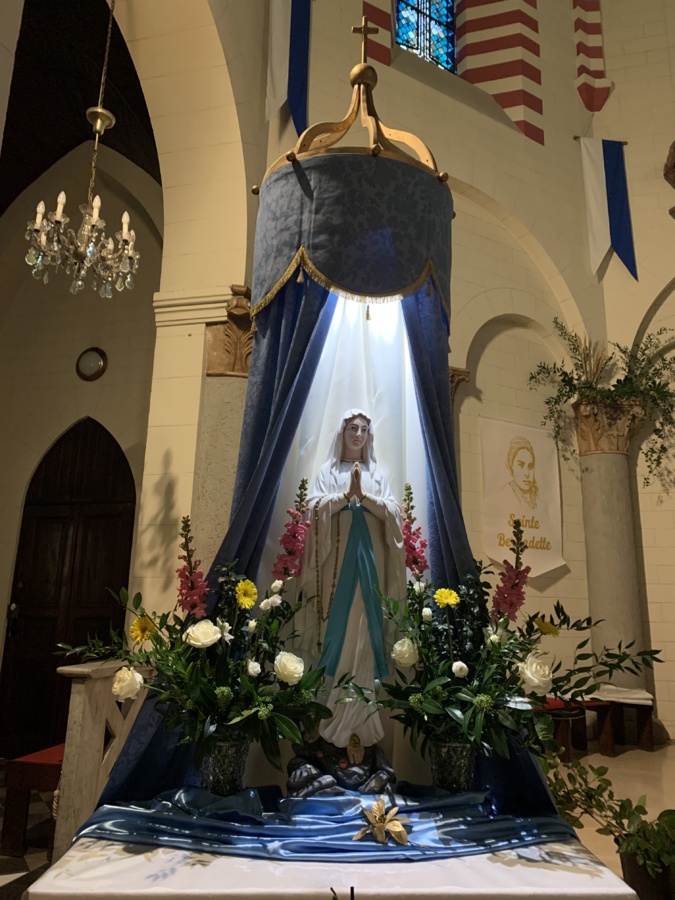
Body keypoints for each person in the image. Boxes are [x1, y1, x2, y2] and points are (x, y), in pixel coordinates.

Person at [297, 409, 406, 765]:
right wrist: (346, 497)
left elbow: (394, 515)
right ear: (342, 433)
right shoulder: (328, 473)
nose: (358, 435)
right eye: (352, 429)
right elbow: (313, 511)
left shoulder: (377, 475)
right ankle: (331, 724)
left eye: (364, 430)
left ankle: (363, 723)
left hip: (369, 570)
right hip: (337, 573)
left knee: (365, 636)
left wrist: (366, 498)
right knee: (337, 636)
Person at [504, 436, 539, 510]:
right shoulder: (506, 493)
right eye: (520, 465)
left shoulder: (537, 496)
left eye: (530, 467)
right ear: (511, 467)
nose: (527, 474)